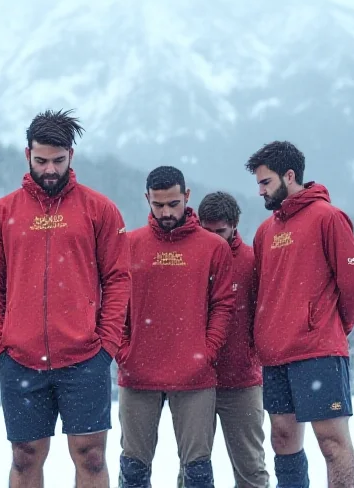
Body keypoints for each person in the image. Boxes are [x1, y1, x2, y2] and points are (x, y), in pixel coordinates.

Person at [0, 109, 131, 488]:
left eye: (58, 161)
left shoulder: (99, 209)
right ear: (27, 155)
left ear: (71, 157)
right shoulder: (2, 213)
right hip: (21, 360)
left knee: (91, 458)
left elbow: (118, 278)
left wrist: (106, 344)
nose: (49, 169)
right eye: (41, 160)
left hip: (84, 359)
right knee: (25, 458)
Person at [245, 141, 354, 488]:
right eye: (258, 183)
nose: (260, 191)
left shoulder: (328, 218)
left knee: (331, 443)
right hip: (275, 354)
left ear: (290, 175)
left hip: (317, 352)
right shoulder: (264, 232)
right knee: (283, 440)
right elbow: (260, 294)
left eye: (265, 182)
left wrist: (329, 327)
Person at [116, 166, 235, 488]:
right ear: (147, 200)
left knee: (197, 470)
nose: (166, 212)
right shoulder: (129, 245)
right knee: (134, 468)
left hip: (195, 375)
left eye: (173, 203)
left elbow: (223, 305)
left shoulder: (213, 247)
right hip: (138, 373)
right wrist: (124, 350)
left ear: (187, 196)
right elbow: (113, 305)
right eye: (158, 205)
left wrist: (206, 351)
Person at [198, 191, 270, 488]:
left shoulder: (252, 261)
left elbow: (264, 313)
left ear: (235, 225)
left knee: (250, 469)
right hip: (195, 382)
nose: (214, 239)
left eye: (221, 232)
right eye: (208, 231)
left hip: (242, 381)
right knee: (193, 470)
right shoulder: (189, 258)